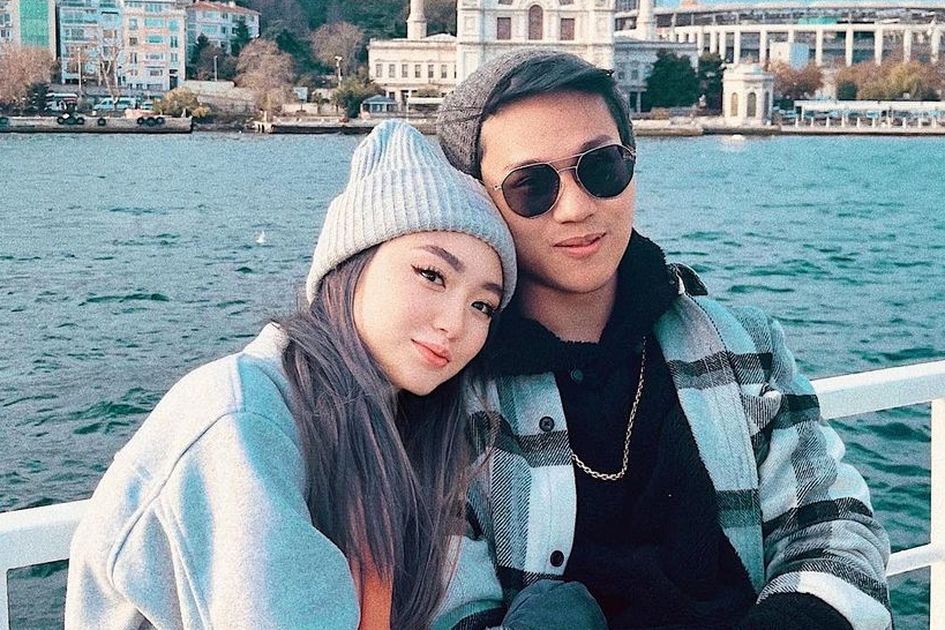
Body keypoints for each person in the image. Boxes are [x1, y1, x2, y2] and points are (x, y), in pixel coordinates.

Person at [64, 120, 605, 629]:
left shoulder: (405, 428)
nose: (455, 323)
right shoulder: (240, 419)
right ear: (351, 263)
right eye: (431, 274)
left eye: (482, 305)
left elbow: (462, 601)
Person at [435, 49, 892, 630]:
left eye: (601, 167)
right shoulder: (447, 384)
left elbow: (833, 528)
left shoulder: (746, 347)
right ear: (477, 200)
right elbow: (445, 600)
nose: (576, 208)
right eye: (531, 186)